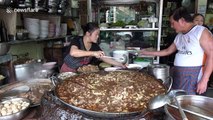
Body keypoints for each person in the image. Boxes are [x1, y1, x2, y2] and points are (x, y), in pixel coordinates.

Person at [140, 7, 213, 95]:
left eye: (172, 23)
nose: (171, 26)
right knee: (177, 99)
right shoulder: (180, 35)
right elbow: (167, 51)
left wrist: (204, 80)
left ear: (182, 21)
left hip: (192, 75)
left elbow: (211, 55)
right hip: (178, 72)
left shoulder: (201, 32)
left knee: (188, 102)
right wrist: (146, 53)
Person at [60, 22, 126, 72]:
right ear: (88, 33)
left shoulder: (94, 46)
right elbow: (73, 53)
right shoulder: (77, 40)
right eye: (96, 34)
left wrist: (120, 64)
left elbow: (104, 57)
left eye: (98, 35)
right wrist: (93, 53)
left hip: (79, 72)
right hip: (67, 71)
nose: (98, 37)